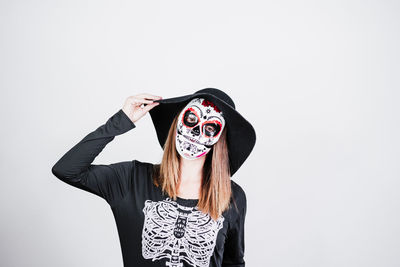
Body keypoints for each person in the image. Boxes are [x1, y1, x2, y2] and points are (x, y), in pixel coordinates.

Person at [51, 88, 256, 267]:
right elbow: (67, 169)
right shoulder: (132, 180)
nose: (195, 131)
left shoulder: (231, 196)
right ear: (177, 123)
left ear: (218, 140)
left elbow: (234, 262)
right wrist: (120, 121)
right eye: (191, 119)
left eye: (210, 127)